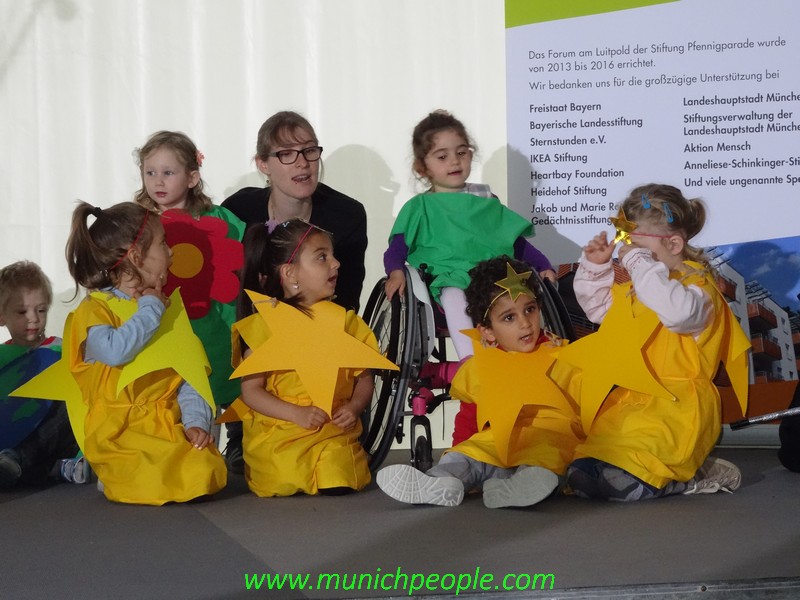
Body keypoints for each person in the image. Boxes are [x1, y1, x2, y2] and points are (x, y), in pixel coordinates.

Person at [552, 183, 750, 501]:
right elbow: (599, 310)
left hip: (676, 409)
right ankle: (655, 473)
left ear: (673, 243)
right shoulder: (644, 287)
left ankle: (688, 480)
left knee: (624, 483)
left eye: (638, 248)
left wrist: (639, 263)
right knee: (581, 473)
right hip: (634, 402)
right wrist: (596, 267)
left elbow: (676, 312)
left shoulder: (698, 290)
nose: (628, 256)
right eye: (626, 245)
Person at [377, 257, 582, 508]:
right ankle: (438, 480)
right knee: (466, 455)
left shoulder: (562, 355)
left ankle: (516, 488)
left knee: (547, 459)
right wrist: (458, 449)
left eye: (530, 309)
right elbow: (468, 416)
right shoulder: (480, 366)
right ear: (487, 331)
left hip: (546, 438)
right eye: (509, 317)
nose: (525, 323)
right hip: (495, 442)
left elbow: (588, 408)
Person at [62, 201, 227, 504]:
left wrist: (195, 423)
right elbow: (114, 351)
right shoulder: (96, 309)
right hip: (119, 431)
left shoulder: (167, 311)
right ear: (136, 256)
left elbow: (189, 377)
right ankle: (116, 473)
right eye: (163, 243)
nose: (171, 252)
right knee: (151, 474)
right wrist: (150, 308)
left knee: (205, 470)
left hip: (165, 425)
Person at [384, 110, 555, 361]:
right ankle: (470, 361)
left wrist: (543, 265)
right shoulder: (419, 207)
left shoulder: (486, 201)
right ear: (422, 167)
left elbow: (515, 243)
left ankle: (526, 359)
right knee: (453, 293)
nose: (454, 162)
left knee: (518, 295)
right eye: (442, 156)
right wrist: (396, 272)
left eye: (461, 153)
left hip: (493, 282)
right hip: (447, 281)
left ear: (471, 154)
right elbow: (397, 249)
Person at [228, 219, 382, 497]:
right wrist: (295, 414)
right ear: (290, 273)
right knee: (283, 476)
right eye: (322, 257)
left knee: (340, 474)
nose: (336, 263)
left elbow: (364, 379)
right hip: (281, 430)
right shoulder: (264, 325)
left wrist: (355, 406)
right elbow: (251, 391)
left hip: (332, 429)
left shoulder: (347, 322)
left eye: (333, 255)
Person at [133, 130, 244, 412]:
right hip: (165, 327)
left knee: (213, 398)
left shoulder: (219, 218)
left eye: (168, 172)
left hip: (215, 326)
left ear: (192, 178)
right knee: (172, 405)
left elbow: (248, 259)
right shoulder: (136, 223)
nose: (157, 181)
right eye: (150, 172)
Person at [222, 111, 367, 313]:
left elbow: (346, 302)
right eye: (287, 154)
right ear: (263, 164)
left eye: (309, 150)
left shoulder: (347, 215)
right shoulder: (237, 211)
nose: (303, 163)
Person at [0, 261, 87, 488]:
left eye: (41, 310)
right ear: (2, 316)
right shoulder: (3, 357)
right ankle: (51, 469)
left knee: (68, 404)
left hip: (54, 436)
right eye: (22, 311)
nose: (33, 318)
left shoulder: (60, 348)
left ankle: (22, 462)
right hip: (12, 437)